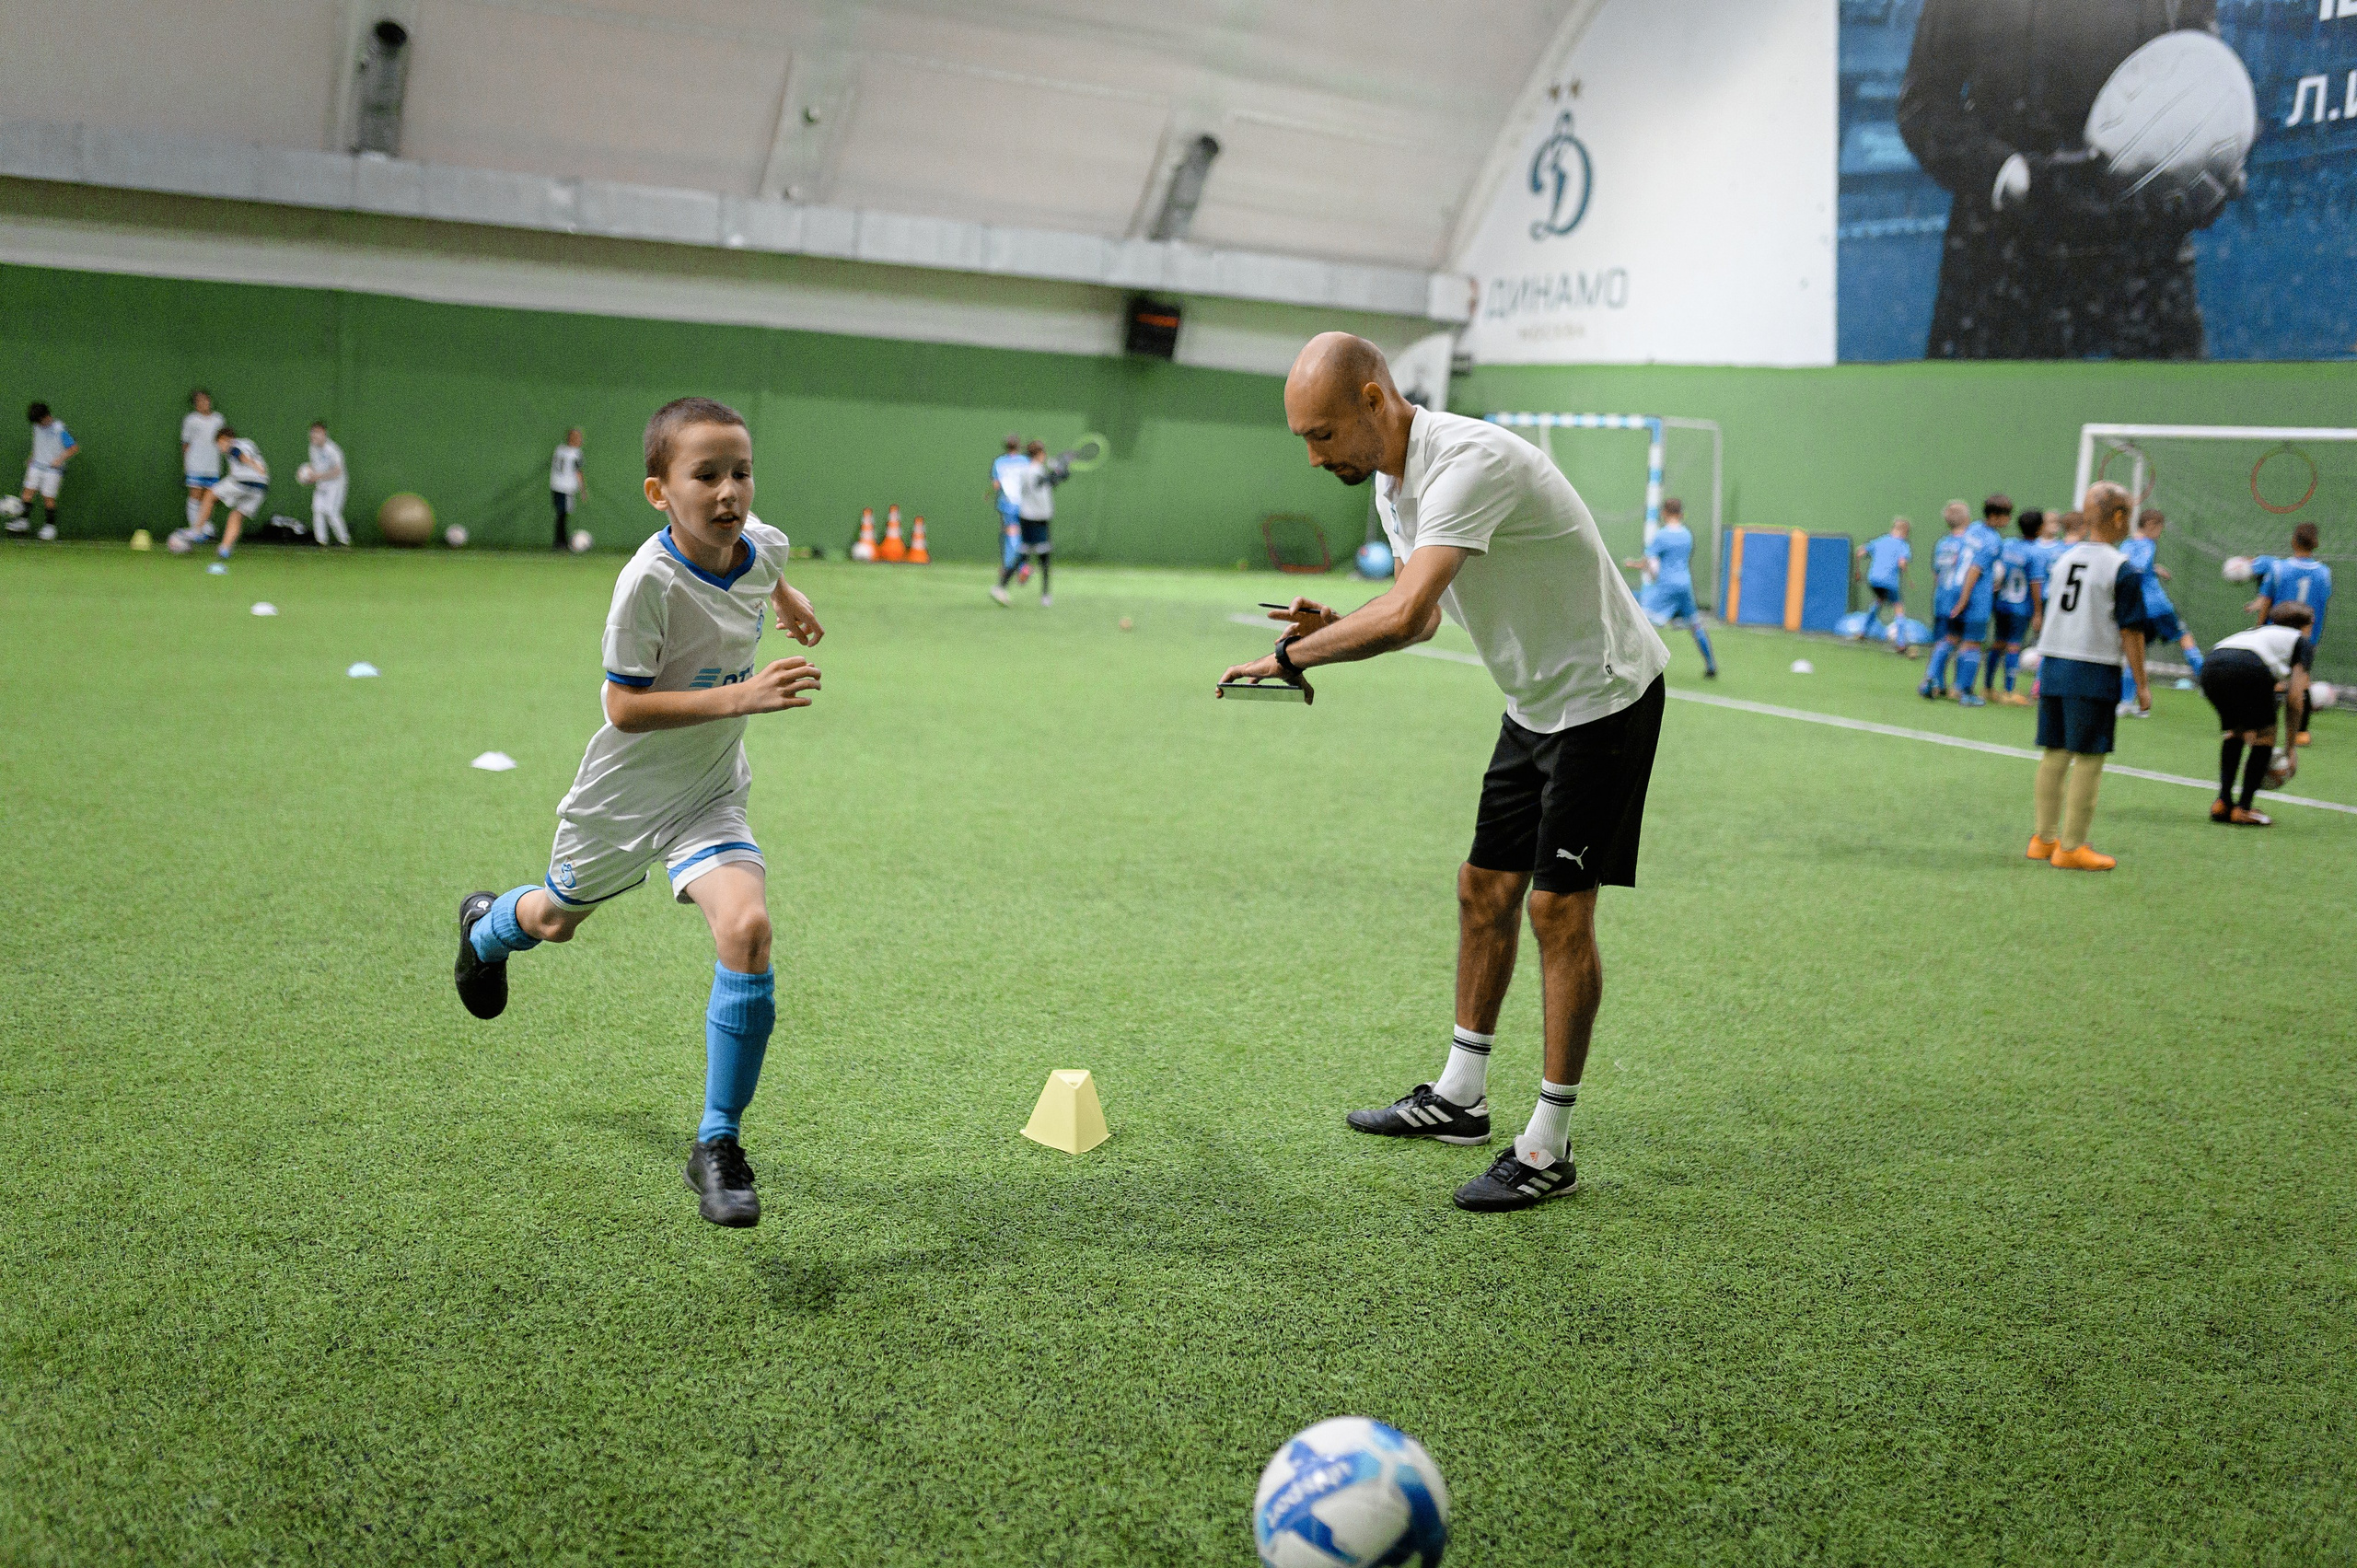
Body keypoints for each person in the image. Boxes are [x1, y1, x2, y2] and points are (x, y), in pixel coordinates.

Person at [1219, 332, 1668, 1213]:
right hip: (1534, 703)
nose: (1315, 457)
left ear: (1376, 400)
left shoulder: (1468, 462)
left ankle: (1550, 1142)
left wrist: (1295, 651)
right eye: (1303, 440)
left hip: (1604, 698)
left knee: (1557, 908)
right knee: (1481, 889)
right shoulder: (1393, 483)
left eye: (1323, 435)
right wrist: (1341, 621)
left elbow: (1407, 614)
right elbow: (1418, 618)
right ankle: (1460, 1097)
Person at [453, 397, 825, 1228]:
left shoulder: (758, 543)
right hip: (626, 796)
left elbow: (766, 564)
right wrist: (742, 695)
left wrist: (789, 602)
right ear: (660, 492)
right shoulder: (647, 583)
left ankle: (717, 1144)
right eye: (707, 476)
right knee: (554, 920)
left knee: (749, 928)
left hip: (707, 793)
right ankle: (485, 927)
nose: (729, 491)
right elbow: (624, 708)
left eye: (741, 471)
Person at [1896, 0, 2236, 360]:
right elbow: (1924, 108)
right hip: (2010, 261)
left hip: (2145, 258)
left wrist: (2217, 159)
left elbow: (2202, 75)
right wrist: (2011, 175)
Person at [2024, 481, 2150, 872]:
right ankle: (2073, 847)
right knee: (2091, 758)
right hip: (2092, 667)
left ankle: (2043, 840)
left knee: (2055, 753)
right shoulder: (2121, 568)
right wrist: (2142, 685)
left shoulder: (2063, 559)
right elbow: (2131, 631)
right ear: (2117, 517)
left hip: (2054, 663)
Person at [2200, 604, 2314, 828]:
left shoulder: (2258, 632)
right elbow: (2295, 699)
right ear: (2306, 625)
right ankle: (2243, 808)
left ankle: (2223, 802)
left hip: (2212, 664)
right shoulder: (2301, 641)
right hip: (2249, 666)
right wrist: (2290, 748)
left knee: (2235, 731)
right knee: (2265, 735)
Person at [2250, 524, 2332, 745]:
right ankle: (2301, 733)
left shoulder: (2279, 568)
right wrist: (2313, 636)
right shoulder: (2325, 573)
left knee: (2273, 681)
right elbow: (2322, 604)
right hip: (2306, 636)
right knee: (2301, 681)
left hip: (2277, 633)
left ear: (2294, 541)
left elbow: (2266, 601)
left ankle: (2263, 728)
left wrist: (2259, 627)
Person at [2116, 508, 2202, 712]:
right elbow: (2136, 569)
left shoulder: (2126, 544)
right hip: (2157, 606)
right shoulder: (2146, 544)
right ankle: (2207, 681)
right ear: (2151, 525)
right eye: (2159, 529)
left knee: (2136, 651)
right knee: (2184, 636)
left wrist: (2154, 569)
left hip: (2138, 607)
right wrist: (2148, 569)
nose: (2159, 534)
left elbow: (2126, 566)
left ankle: (2126, 702)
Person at [1621, 497, 1716, 677]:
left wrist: (1632, 564)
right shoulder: (1687, 535)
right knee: (1695, 625)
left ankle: (1631, 664)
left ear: (1664, 513)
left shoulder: (1662, 535)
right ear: (1681, 513)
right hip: (1685, 585)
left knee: (1643, 620)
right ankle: (1711, 665)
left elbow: (1648, 562)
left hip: (1667, 585)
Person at [1943, 494, 2010, 707]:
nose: (2008, 521)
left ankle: (1950, 686)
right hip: (1975, 597)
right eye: (2006, 516)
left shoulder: (1972, 530)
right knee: (1972, 644)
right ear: (1996, 516)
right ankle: (1966, 692)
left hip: (1955, 587)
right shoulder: (1993, 540)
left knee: (1954, 638)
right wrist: (1964, 600)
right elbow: (1974, 570)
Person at [1983, 507, 2044, 703]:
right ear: (2039, 528)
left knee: (1998, 642)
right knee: (2013, 645)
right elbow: (2035, 584)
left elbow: (1997, 571)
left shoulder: (2008, 544)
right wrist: (2038, 612)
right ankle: (2009, 691)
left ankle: (1988, 687)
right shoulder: (2036, 552)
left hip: (2001, 602)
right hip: (2020, 606)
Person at [997, 439, 1063, 607]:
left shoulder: (1031, 470)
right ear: (1039, 454)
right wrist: (1059, 471)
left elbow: (1049, 482)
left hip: (1031, 517)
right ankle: (1045, 595)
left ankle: (1002, 586)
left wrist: (1059, 472)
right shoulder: (1033, 471)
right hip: (1036, 519)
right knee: (1042, 557)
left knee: (1025, 555)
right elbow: (1046, 481)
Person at [1920, 502, 1972, 699]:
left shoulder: (1942, 544)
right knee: (1958, 641)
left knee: (1942, 640)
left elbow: (1936, 573)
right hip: (1959, 598)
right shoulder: (1969, 544)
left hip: (1941, 597)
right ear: (1967, 519)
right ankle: (1937, 680)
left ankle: (1938, 684)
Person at [201, 427, 270, 559]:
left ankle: (197, 531)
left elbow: (238, 454)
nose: (220, 448)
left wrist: (254, 465)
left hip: (244, 481)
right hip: (261, 487)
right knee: (236, 515)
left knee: (210, 494)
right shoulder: (248, 442)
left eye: (219, 444)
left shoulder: (232, 445)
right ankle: (224, 549)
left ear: (223, 439)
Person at [12, 402, 75, 540]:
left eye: (41, 421)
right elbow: (38, 444)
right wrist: (32, 457)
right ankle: (23, 522)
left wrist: (59, 459)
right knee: (27, 494)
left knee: (48, 497)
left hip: (53, 470)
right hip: (36, 466)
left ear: (46, 416)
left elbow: (73, 448)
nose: (39, 425)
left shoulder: (60, 429)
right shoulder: (36, 426)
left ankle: (50, 527)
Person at [1858, 516, 1912, 652]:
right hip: (1889, 581)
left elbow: (1860, 552)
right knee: (1898, 606)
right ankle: (1900, 642)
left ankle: (1863, 632)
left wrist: (1857, 572)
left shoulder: (1881, 540)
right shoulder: (1903, 545)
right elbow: (1902, 563)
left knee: (1879, 600)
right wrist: (1908, 578)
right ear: (1905, 532)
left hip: (1873, 579)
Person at [180, 389, 225, 540]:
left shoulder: (218, 419)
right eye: (199, 401)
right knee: (195, 496)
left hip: (213, 466)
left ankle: (205, 527)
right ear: (194, 405)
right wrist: (186, 463)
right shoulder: (191, 420)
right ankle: (195, 529)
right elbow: (185, 444)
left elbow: (222, 442)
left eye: (205, 400)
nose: (203, 403)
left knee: (209, 498)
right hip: (195, 464)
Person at [987, 434, 1028, 600]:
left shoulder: (999, 462)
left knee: (1011, 536)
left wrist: (988, 494)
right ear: (1019, 446)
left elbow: (996, 485)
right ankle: (1019, 566)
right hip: (1024, 504)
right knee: (1019, 535)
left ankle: (1014, 566)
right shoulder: (1025, 461)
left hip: (1008, 504)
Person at [301, 421, 350, 547]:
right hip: (322, 483)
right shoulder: (312, 448)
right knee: (317, 509)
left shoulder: (332, 450)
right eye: (312, 432)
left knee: (331, 511)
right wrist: (309, 476)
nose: (314, 435)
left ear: (324, 434)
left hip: (336, 484)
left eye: (317, 432)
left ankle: (344, 540)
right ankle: (321, 540)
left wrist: (318, 476)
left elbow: (338, 471)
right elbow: (315, 465)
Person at [551, 428, 586, 549]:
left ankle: (560, 541)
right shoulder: (575, 453)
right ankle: (561, 542)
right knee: (563, 515)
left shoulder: (559, 450)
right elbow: (578, 472)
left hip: (555, 485)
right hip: (566, 487)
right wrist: (583, 490)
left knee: (561, 514)